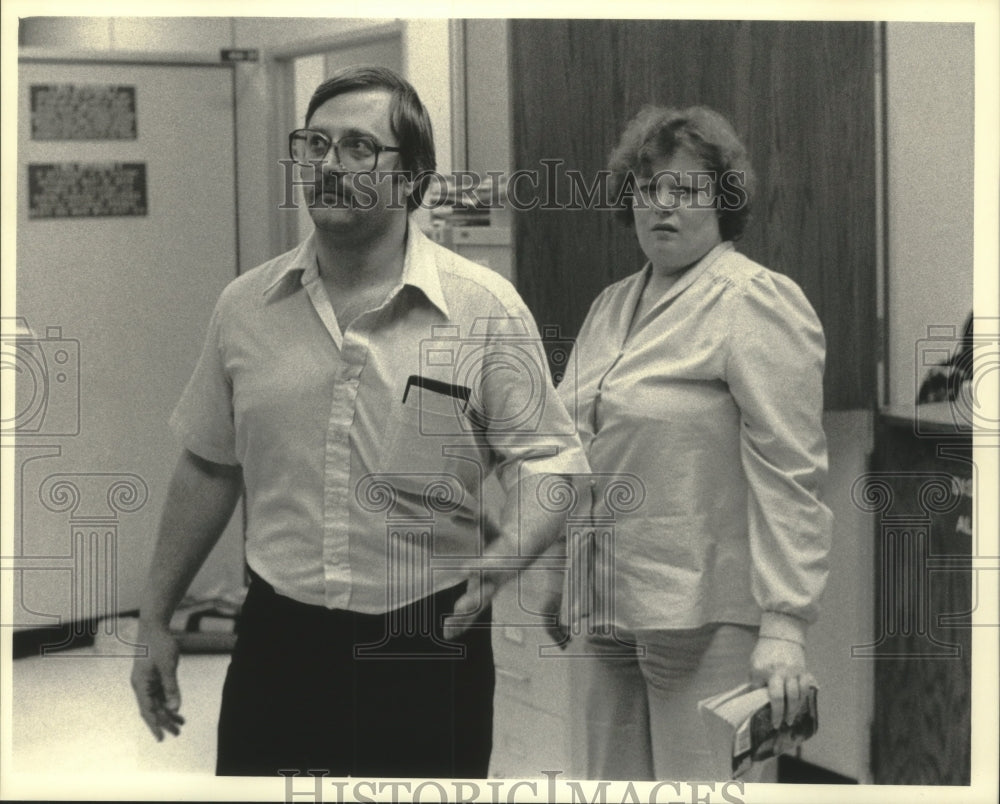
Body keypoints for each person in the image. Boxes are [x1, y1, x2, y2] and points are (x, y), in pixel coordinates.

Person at [130, 65, 586, 778]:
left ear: (413, 178)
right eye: (314, 144)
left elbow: (553, 457)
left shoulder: (481, 309)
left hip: (428, 635)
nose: (327, 164)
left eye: (357, 147)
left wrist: (505, 559)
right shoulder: (246, 307)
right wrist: (154, 616)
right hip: (278, 637)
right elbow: (211, 464)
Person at [556, 105, 833, 781]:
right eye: (649, 189)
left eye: (686, 190)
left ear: (724, 201)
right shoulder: (611, 306)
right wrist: (555, 572)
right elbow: (578, 446)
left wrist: (786, 625)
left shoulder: (754, 302)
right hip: (604, 610)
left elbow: (790, 472)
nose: (663, 207)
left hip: (706, 620)